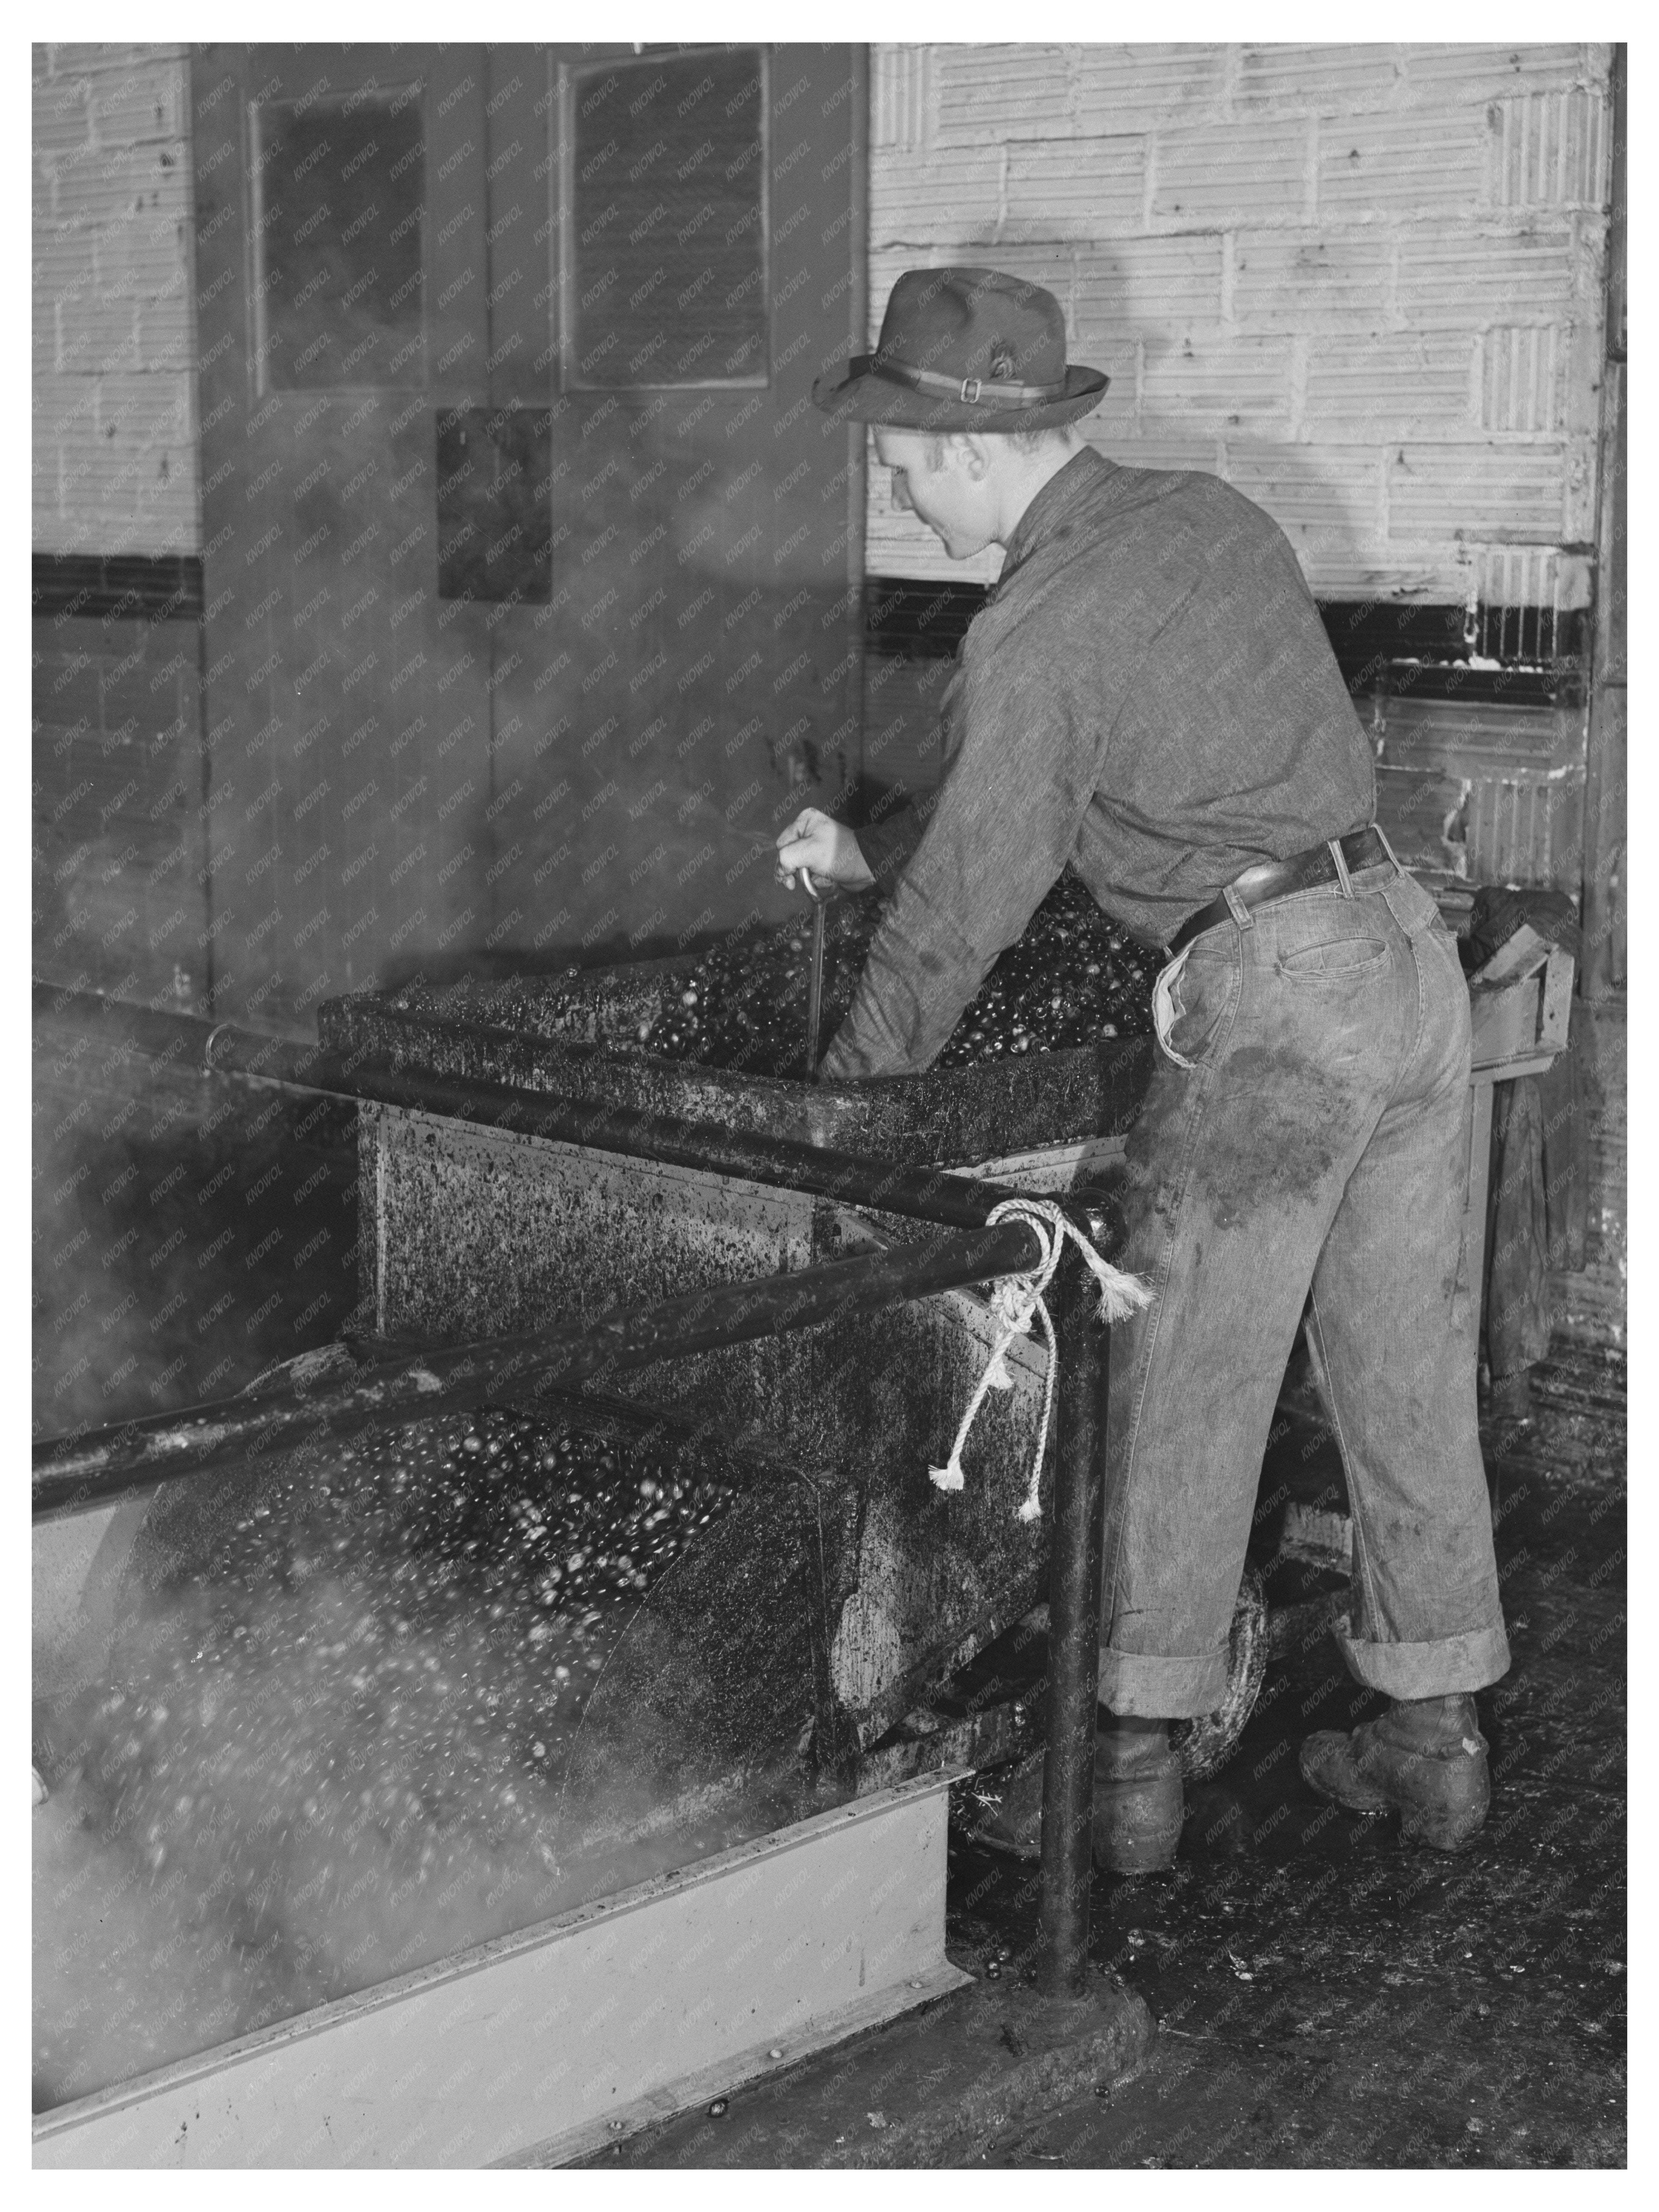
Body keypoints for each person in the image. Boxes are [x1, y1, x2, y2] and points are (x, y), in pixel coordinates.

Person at [778, 266, 1508, 1867]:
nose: (893, 481)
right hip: (1402, 955)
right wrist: (878, 832)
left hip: (1281, 1011)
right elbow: (1119, 762)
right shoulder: (1210, 519)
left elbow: (956, 924)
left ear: (964, 446)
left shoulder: (1033, 622)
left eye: (896, 454)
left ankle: (1118, 1783)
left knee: (1186, 1384)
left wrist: (828, 1134)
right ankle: (1436, 1744)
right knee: (1399, 1369)